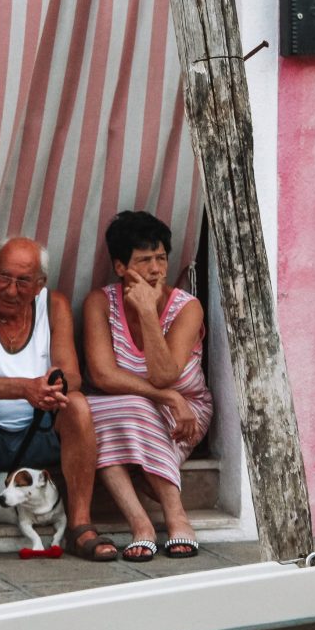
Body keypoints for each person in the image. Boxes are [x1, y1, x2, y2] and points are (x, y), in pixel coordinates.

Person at [0, 237, 119, 565]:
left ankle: (80, 524)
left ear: (39, 285)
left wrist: (56, 384)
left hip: (39, 432)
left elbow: (73, 377)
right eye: (4, 277)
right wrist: (25, 388)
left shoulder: (54, 306)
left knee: (78, 404)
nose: (10, 290)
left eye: (23, 281)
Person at [83, 211, 213, 561]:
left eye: (161, 258)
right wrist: (163, 396)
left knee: (126, 409)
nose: (156, 269)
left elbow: (165, 375)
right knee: (94, 412)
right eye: (144, 261)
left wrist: (147, 313)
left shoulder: (188, 308)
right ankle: (142, 524)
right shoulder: (100, 303)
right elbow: (102, 376)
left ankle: (174, 516)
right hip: (138, 405)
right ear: (121, 267)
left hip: (186, 410)